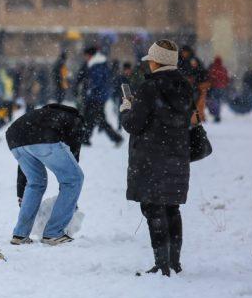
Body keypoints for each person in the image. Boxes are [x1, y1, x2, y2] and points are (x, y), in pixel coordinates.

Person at [120, 39, 193, 277]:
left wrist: (127, 110)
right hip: (178, 156)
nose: (149, 63)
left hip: (151, 158)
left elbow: (134, 124)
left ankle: (162, 264)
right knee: (172, 208)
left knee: (153, 209)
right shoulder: (185, 86)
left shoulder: (149, 87)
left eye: (151, 60)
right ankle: (174, 262)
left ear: (157, 61)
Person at [6, 103, 86, 246]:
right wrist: (70, 198)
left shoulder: (39, 115)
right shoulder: (75, 119)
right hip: (44, 137)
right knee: (74, 179)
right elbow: (73, 157)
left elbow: (24, 159)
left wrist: (21, 192)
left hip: (13, 136)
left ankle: (20, 234)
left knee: (36, 182)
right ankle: (53, 233)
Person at [73, 46, 123, 146]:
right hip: (95, 97)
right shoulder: (96, 64)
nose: (85, 58)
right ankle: (85, 138)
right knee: (90, 118)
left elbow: (97, 82)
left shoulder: (97, 65)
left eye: (86, 56)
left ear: (90, 55)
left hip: (96, 97)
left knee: (98, 119)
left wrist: (89, 90)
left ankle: (116, 138)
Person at [178, 45, 210, 122]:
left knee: (197, 102)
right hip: (183, 86)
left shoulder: (194, 60)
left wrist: (193, 78)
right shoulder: (179, 61)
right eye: (183, 52)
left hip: (195, 85)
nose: (184, 54)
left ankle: (196, 119)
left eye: (186, 52)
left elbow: (201, 72)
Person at [207, 56, 230, 123]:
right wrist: (225, 85)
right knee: (219, 101)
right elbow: (227, 78)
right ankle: (217, 114)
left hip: (214, 87)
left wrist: (211, 84)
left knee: (214, 100)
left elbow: (210, 77)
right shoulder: (223, 69)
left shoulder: (213, 68)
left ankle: (216, 114)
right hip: (222, 88)